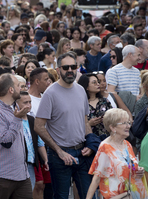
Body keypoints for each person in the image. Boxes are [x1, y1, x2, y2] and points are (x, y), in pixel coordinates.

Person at [35, 52, 94, 199]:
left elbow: (85, 121)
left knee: (89, 196)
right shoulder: (50, 93)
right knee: (61, 196)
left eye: (73, 67)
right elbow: (38, 126)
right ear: (58, 70)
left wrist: (90, 143)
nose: (70, 70)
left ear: (77, 68)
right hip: (59, 156)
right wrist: (59, 151)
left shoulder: (81, 90)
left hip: (82, 153)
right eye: (65, 67)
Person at [0, 73, 32, 199]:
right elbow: (6, 141)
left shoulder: (14, 107)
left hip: (21, 175)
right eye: (18, 85)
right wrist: (17, 119)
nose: (21, 88)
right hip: (0, 176)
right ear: (11, 89)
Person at [86, 108, 148, 199]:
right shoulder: (105, 147)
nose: (128, 126)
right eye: (124, 123)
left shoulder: (127, 145)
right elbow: (97, 178)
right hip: (116, 196)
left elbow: (130, 167)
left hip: (133, 194)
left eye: (128, 123)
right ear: (113, 127)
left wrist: (139, 170)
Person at [17, 91, 49, 197]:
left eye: (30, 102)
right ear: (16, 104)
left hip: (30, 162)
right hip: (17, 164)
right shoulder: (14, 119)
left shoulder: (32, 119)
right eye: (25, 102)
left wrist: (45, 160)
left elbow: (39, 143)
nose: (29, 105)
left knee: (29, 192)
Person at [78, 74, 113, 139]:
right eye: (94, 83)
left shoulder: (104, 101)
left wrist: (106, 119)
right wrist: (89, 124)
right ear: (86, 87)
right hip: (89, 141)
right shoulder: (80, 103)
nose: (98, 84)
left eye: (98, 82)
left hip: (107, 139)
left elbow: (114, 118)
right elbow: (75, 125)